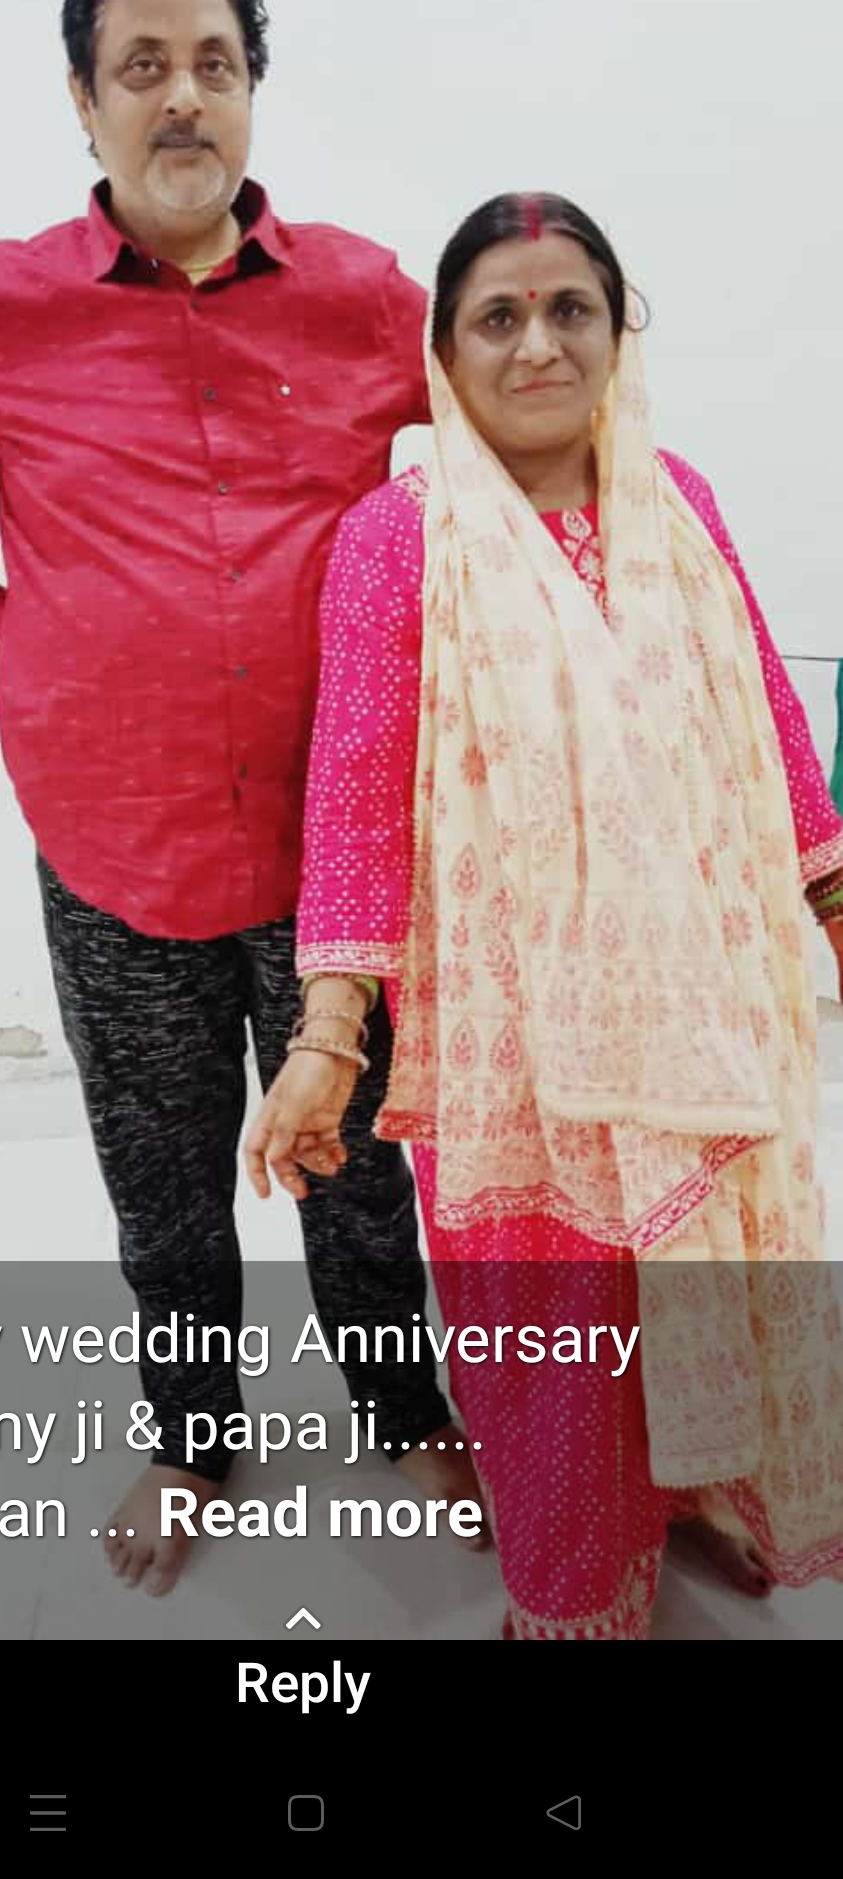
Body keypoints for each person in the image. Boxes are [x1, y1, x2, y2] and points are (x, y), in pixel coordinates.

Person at [0, 0, 476, 1601]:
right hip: (114, 843)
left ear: (252, 88)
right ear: (84, 95)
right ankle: (192, 1434)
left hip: (335, 853)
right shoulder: (4, 305)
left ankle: (404, 1404)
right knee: (164, 1180)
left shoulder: (361, 296)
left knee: (360, 1169)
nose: (183, 96)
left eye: (215, 63)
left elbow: (500, 434)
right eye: (143, 65)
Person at [246, 190, 843, 1640]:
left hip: (702, 997)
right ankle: (575, 1587)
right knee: (557, 1328)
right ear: (446, 351)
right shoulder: (397, 537)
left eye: (570, 309)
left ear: (617, 332)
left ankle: (701, 1488)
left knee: (702, 1276)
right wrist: (330, 1033)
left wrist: (832, 900)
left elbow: (765, 713)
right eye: (498, 317)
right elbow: (357, 790)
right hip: (517, 1031)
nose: (537, 346)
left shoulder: (678, 501)